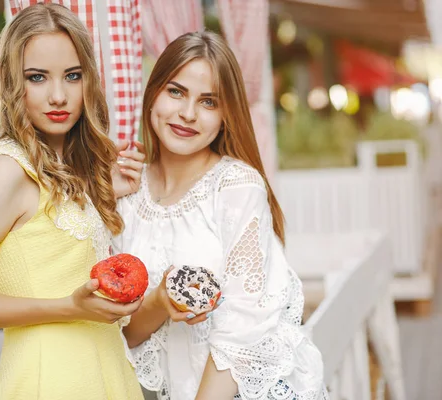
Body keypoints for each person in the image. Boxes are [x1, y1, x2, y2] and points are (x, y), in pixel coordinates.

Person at [0, 3, 145, 399]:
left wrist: (101, 193)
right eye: (37, 77)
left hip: (105, 372)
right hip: (48, 380)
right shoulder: (6, 170)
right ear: (12, 82)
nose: (58, 96)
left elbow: (48, 246)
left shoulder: (63, 167)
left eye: (72, 76)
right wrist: (69, 308)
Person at [114, 31, 327, 400]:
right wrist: (159, 302)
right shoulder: (129, 195)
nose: (188, 113)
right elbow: (123, 335)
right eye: (176, 91)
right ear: (152, 94)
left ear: (226, 114)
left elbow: (243, 328)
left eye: (208, 101)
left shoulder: (236, 186)